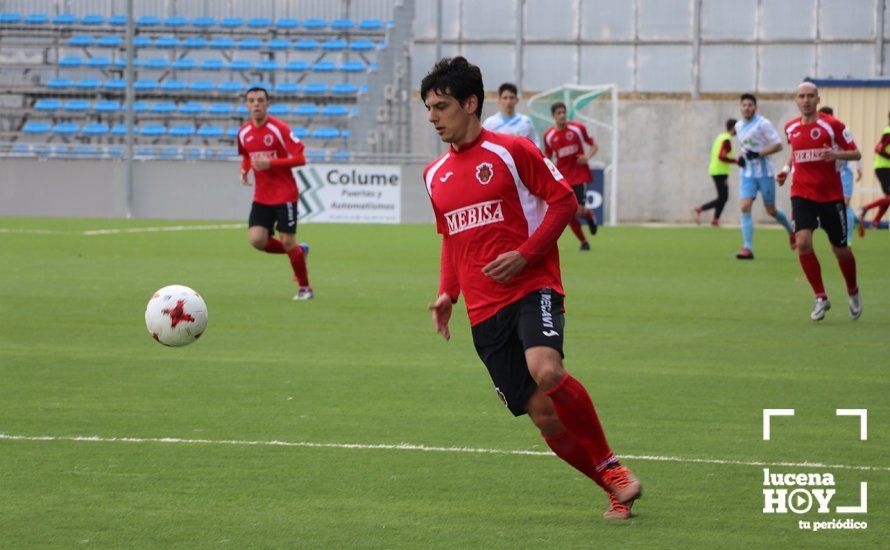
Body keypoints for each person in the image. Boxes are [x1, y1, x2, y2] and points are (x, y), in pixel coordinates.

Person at [421, 56, 642, 520]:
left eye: (441, 106)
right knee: (543, 414)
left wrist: (525, 254)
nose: (433, 117)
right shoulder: (434, 174)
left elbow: (564, 201)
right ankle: (608, 485)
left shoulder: (512, 150)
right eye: (429, 108)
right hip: (482, 312)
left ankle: (612, 467)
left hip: (532, 285)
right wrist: (448, 293)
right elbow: (451, 240)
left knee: (546, 370)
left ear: (471, 102)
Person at [776, 82, 862, 321]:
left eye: (810, 96)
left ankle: (853, 290)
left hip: (830, 196)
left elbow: (856, 153)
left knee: (840, 250)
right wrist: (785, 169)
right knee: (802, 242)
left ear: (818, 99)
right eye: (801, 96)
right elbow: (794, 151)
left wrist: (836, 154)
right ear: (796, 100)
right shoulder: (790, 127)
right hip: (802, 194)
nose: (806, 100)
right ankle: (821, 297)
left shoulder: (832, 125)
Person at [237, 86, 313, 300]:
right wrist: (245, 170)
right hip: (261, 196)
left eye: (260, 100)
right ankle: (299, 252)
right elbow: (246, 155)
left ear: (268, 104)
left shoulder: (279, 129)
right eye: (251, 100)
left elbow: (301, 158)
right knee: (257, 240)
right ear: (246, 105)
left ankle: (305, 288)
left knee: (288, 241)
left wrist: (270, 163)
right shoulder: (243, 132)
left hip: (285, 194)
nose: (256, 104)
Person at [734, 93, 796, 259]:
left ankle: (791, 231)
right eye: (744, 105)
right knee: (745, 206)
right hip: (747, 173)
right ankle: (747, 248)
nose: (747, 108)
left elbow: (778, 145)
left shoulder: (763, 124)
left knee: (771, 210)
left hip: (765, 173)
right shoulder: (739, 126)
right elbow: (745, 147)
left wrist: (759, 153)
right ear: (740, 107)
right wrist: (741, 157)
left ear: (755, 107)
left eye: (750, 105)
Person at [543, 102, 599, 251]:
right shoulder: (548, 136)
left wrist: (587, 157)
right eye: (559, 113)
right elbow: (547, 156)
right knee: (568, 214)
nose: (562, 115)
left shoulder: (578, 129)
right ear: (553, 116)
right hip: (563, 178)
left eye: (563, 112)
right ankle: (584, 242)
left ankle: (589, 216)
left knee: (578, 211)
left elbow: (594, 145)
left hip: (580, 175)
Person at [819, 107, 863, 240]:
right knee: (834, 206)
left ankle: (847, 240)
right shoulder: (819, 132)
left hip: (845, 173)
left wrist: (859, 168)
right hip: (829, 175)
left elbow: (855, 149)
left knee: (845, 204)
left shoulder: (843, 130)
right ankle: (857, 219)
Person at [694, 119, 742, 226]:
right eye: (738, 128)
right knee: (723, 197)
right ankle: (700, 209)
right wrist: (736, 161)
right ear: (734, 128)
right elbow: (722, 156)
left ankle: (715, 219)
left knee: (723, 197)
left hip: (716, 170)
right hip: (720, 171)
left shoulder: (721, 137)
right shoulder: (726, 140)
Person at [482, 82, 540, 147]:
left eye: (511, 98)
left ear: (517, 100)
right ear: (499, 100)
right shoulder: (489, 123)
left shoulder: (526, 122)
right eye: (505, 98)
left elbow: (535, 144)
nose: (508, 101)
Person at [859, 111, 890, 233]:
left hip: (885, 167)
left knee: (888, 198)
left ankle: (875, 222)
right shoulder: (889, 131)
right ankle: (865, 208)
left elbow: (878, 147)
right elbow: (879, 149)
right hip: (884, 167)